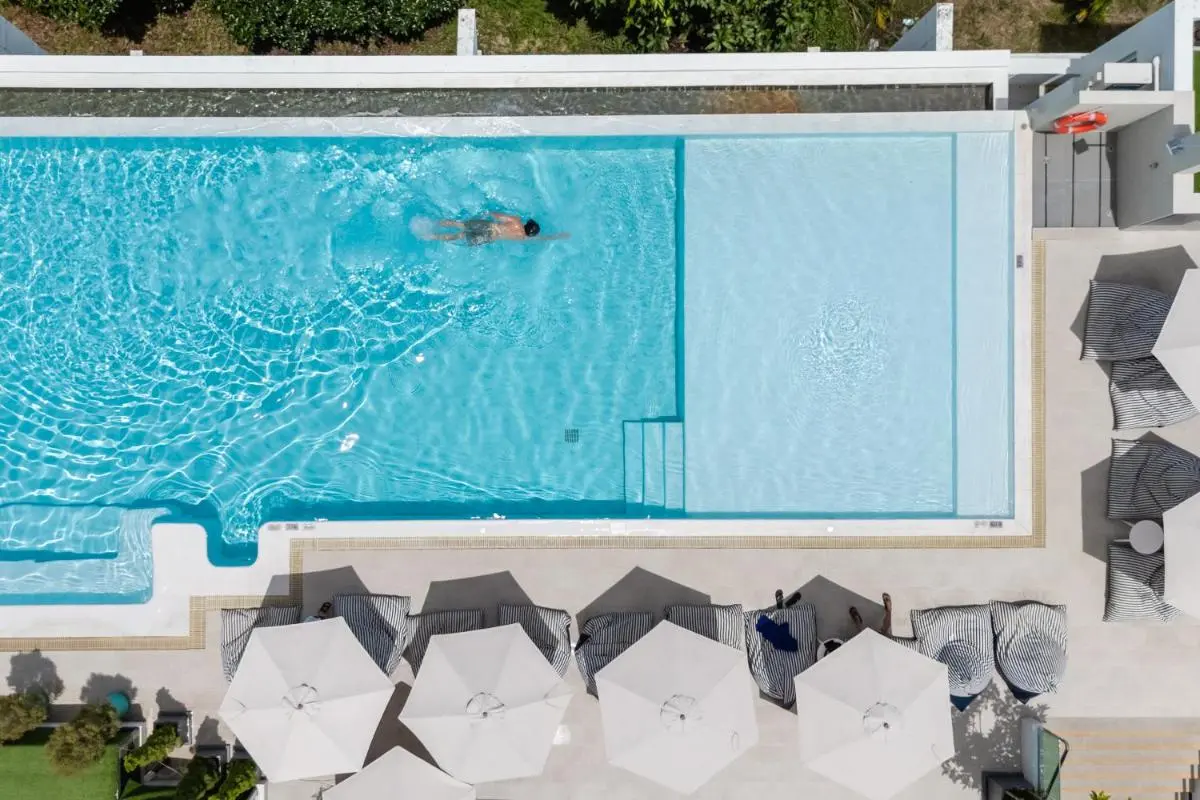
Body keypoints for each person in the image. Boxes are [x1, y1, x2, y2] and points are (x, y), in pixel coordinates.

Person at [427, 212, 569, 245]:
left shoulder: (516, 221)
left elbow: (494, 215)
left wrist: (483, 214)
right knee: (460, 236)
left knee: (461, 225)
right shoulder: (522, 237)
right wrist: (557, 236)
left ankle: (435, 223)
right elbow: (542, 238)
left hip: (490, 226)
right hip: (490, 237)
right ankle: (433, 237)